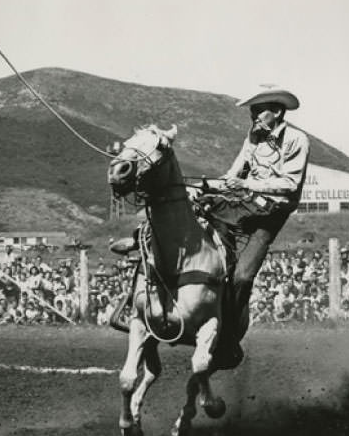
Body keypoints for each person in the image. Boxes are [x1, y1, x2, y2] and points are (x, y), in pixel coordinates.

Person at [113, 85, 310, 346]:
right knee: (187, 211)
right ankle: (136, 282)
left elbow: (290, 184)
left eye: (259, 111)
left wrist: (246, 184)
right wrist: (206, 186)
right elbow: (231, 176)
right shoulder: (252, 138)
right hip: (240, 204)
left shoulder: (297, 139)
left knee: (242, 277)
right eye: (252, 111)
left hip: (269, 214)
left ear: (277, 111)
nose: (254, 116)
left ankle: (228, 336)